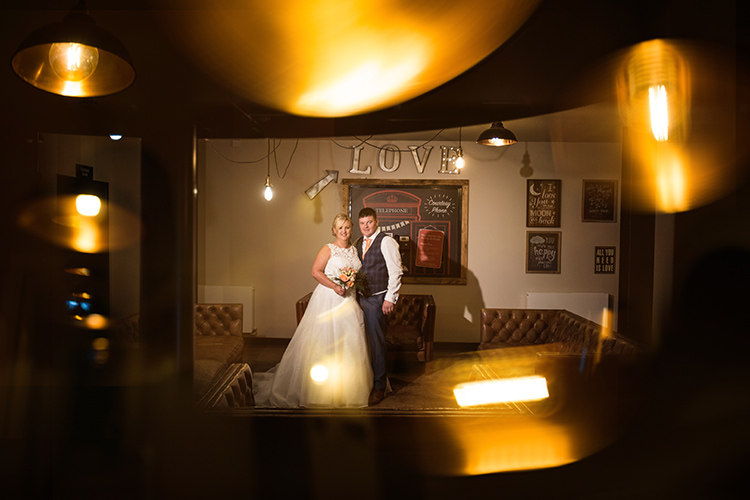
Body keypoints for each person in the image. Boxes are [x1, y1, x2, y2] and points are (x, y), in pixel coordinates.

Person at [252, 213, 373, 408]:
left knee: (351, 343)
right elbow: (315, 271)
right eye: (340, 228)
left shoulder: (354, 250)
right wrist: (334, 286)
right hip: (329, 298)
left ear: (352, 230)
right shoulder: (328, 249)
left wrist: (351, 284)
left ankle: (347, 390)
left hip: (349, 299)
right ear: (334, 230)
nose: (344, 231)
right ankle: (319, 392)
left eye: (347, 228)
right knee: (324, 342)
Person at [355, 207, 403, 406]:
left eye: (369, 222)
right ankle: (364, 382)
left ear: (376, 221)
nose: (366, 226)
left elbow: (396, 271)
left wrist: (390, 298)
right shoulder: (358, 243)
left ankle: (379, 386)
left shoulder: (386, 241)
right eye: (362, 223)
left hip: (377, 300)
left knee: (377, 344)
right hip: (359, 300)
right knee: (360, 343)